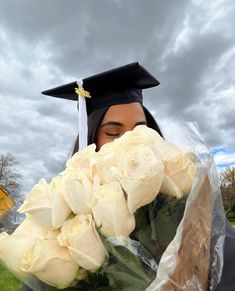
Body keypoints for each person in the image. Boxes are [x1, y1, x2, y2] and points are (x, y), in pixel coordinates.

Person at [22, 62, 234, 290]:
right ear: (91, 141)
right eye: (113, 133)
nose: (131, 143)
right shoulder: (67, 223)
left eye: (140, 130)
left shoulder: (188, 212)